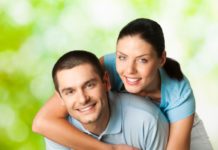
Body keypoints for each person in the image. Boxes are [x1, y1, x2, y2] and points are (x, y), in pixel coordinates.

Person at [32, 18, 213, 150]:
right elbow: (42, 122)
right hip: (127, 129)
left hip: (178, 127)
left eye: (142, 60)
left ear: (161, 59)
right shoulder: (106, 68)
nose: (129, 70)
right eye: (122, 57)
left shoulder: (179, 93)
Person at [44, 50, 169, 150]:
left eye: (89, 85)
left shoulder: (147, 121)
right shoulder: (58, 134)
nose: (82, 99)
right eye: (70, 92)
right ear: (60, 97)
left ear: (106, 82)